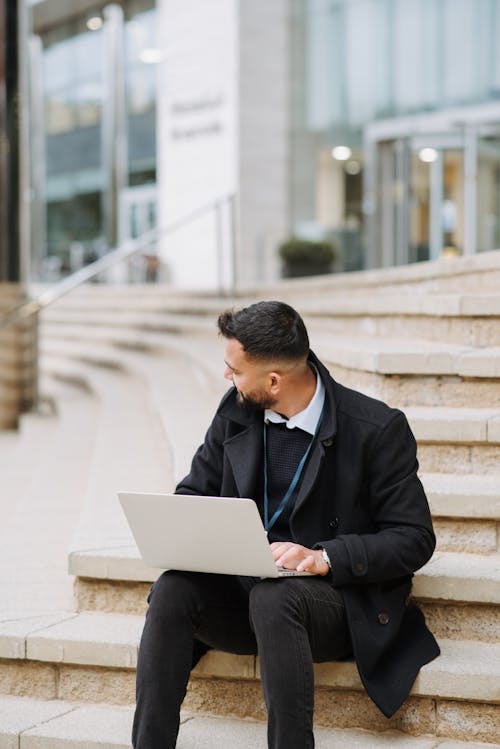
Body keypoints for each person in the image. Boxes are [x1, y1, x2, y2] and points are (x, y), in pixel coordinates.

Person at [132, 300, 440, 749]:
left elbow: (414, 539)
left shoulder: (375, 428)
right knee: (173, 588)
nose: (226, 377)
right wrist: (192, 531)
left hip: (333, 603)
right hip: (245, 594)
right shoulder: (235, 411)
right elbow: (194, 492)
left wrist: (323, 558)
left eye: (234, 370)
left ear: (273, 381)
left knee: (276, 598)